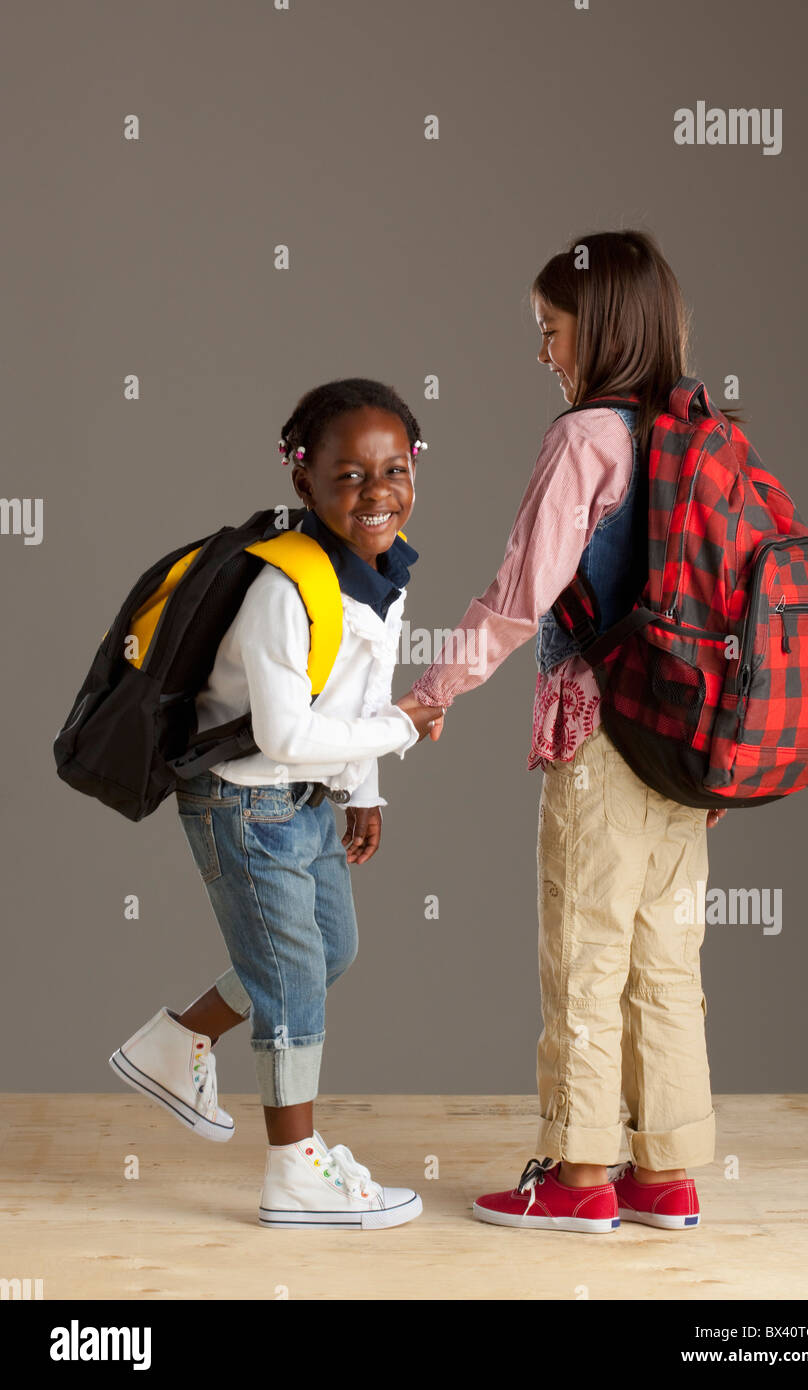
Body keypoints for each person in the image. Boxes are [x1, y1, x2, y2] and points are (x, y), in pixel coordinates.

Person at [397, 230, 730, 1233]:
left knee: (583, 952)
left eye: (549, 331)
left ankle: (579, 1175)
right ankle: (664, 1174)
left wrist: (435, 690)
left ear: (599, 326)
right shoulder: (698, 433)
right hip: (688, 745)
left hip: (598, 737)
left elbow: (517, 595)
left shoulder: (586, 438)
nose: (541, 354)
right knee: (665, 961)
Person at [109, 378, 444, 1231]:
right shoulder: (281, 588)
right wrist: (402, 730)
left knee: (330, 951)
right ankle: (292, 1169)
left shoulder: (383, 571)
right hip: (241, 802)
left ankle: (176, 1040)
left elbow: (363, 690)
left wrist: (365, 791)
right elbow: (289, 732)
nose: (377, 495)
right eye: (349, 476)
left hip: (302, 801)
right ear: (304, 481)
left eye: (394, 470)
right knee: (294, 978)